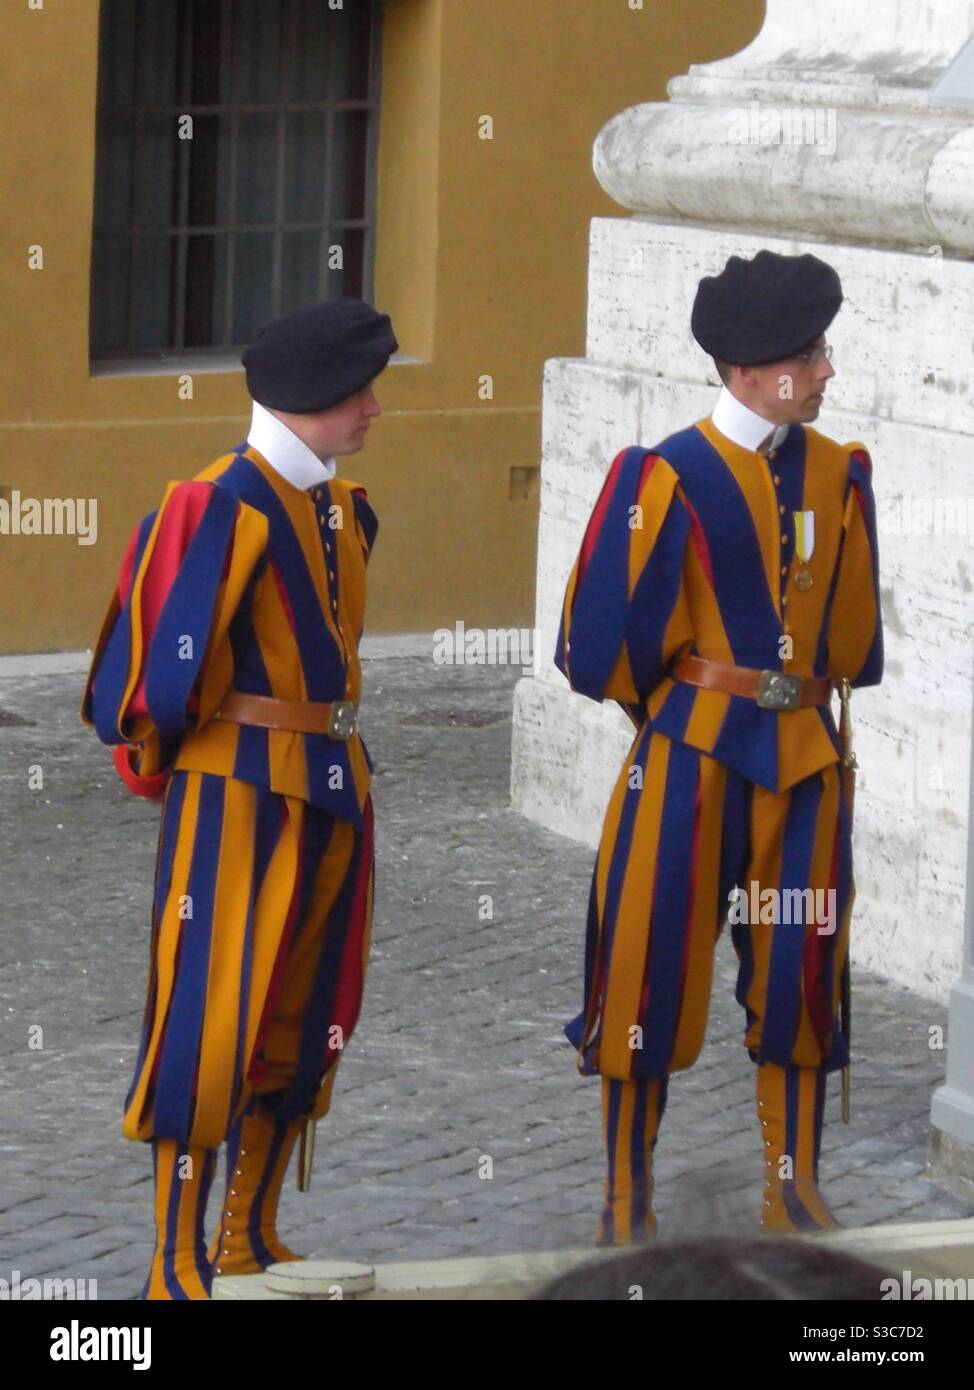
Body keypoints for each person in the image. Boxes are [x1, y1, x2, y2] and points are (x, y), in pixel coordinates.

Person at [554, 250, 883, 1246]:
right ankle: (625, 1198)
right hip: (688, 760)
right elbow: (599, 645)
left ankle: (790, 1185)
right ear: (748, 371)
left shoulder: (838, 472)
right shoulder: (664, 474)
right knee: (644, 967)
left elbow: (855, 639)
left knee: (800, 972)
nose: (824, 370)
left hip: (806, 764)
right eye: (807, 354)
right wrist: (691, 707)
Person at [81, 297, 397, 1299]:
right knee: (207, 1023)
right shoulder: (220, 502)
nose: (373, 411)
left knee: (302, 1017)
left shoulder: (344, 509)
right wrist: (189, 763)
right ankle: (172, 1258)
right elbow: (151, 682)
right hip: (238, 794)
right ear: (310, 398)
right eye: (359, 393)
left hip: (332, 790)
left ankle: (245, 1233)